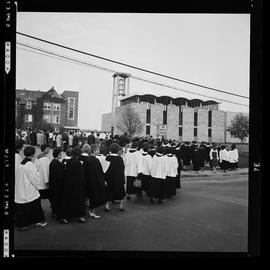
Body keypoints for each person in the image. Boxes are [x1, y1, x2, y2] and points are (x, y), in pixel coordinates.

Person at [15, 146, 47, 230]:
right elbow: (35, 179)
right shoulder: (30, 165)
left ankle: (23, 224)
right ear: (33, 155)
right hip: (29, 188)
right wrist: (38, 186)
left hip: (21, 187)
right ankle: (39, 221)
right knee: (36, 204)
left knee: (24, 208)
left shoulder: (21, 163)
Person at [59, 146, 86, 224]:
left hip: (68, 184)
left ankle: (65, 217)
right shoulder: (79, 163)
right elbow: (81, 175)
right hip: (77, 184)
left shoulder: (69, 162)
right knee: (79, 200)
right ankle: (80, 216)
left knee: (68, 200)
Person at [79, 144, 106, 219]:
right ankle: (93, 212)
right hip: (94, 181)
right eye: (97, 149)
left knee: (88, 196)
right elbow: (99, 172)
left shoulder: (86, 159)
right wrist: (102, 181)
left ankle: (89, 211)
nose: (99, 151)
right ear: (94, 150)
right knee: (94, 197)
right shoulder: (95, 160)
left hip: (86, 180)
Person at [104, 143, 126, 211]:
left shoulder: (108, 157)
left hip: (109, 177)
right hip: (118, 177)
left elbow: (105, 169)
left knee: (108, 191)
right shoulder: (120, 159)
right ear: (117, 150)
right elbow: (122, 169)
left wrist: (105, 178)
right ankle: (121, 205)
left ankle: (107, 205)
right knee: (121, 190)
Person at [49, 148, 64, 219]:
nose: (61, 155)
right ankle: (57, 213)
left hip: (53, 184)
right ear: (58, 155)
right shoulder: (58, 163)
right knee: (57, 199)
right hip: (57, 184)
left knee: (54, 199)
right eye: (60, 154)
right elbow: (60, 175)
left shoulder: (52, 162)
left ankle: (54, 212)